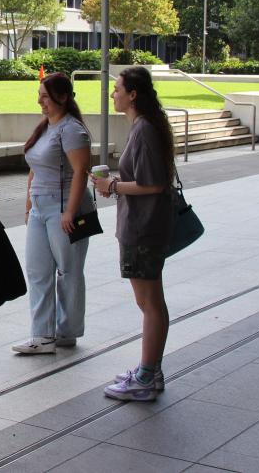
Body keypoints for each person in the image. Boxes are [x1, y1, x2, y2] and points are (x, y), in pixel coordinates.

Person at [90, 66, 174, 402]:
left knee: (149, 303)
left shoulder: (143, 130)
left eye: (117, 89)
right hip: (145, 226)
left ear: (133, 94)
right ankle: (150, 370)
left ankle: (146, 376)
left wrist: (111, 185)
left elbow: (152, 183)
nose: (113, 94)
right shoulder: (146, 126)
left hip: (142, 229)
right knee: (151, 301)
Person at [13, 73, 94, 355]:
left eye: (45, 96)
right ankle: (42, 335)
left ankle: (67, 331)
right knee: (37, 270)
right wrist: (28, 204)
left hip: (65, 208)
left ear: (63, 97)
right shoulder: (45, 127)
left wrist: (70, 212)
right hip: (40, 207)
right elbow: (34, 167)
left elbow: (81, 172)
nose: (40, 101)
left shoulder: (72, 130)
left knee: (68, 271)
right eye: (40, 95)